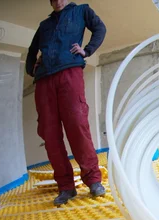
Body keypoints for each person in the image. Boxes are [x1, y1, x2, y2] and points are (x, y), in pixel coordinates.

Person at [26, 0, 107, 206]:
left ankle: (93, 180)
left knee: (77, 126)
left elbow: (99, 28)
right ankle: (66, 187)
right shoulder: (44, 25)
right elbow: (32, 50)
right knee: (49, 133)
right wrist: (31, 68)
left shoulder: (81, 11)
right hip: (44, 80)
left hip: (69, 73)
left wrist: (87, 50)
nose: (58, 1)